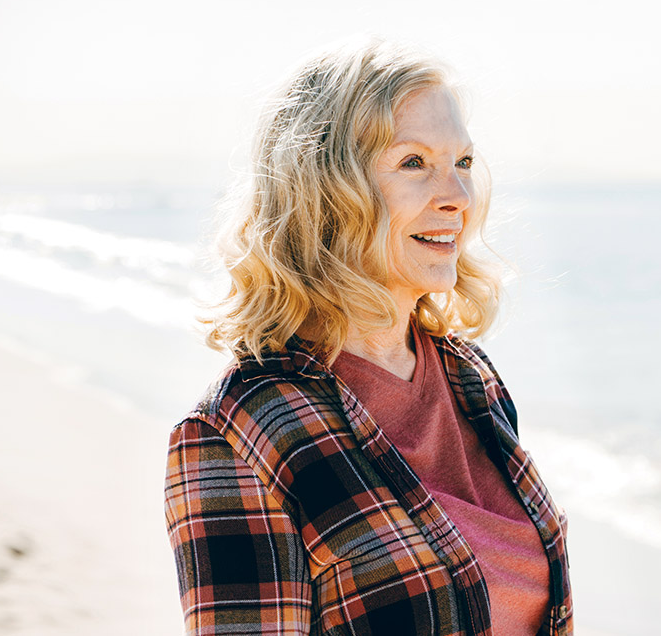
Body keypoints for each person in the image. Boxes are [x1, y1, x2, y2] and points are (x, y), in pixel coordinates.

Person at [163, 39, 572, 636]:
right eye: (413, 163)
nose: (457, 197)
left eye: (462, 163)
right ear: (323, 192)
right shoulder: (238, 432)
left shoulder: (470, 380)